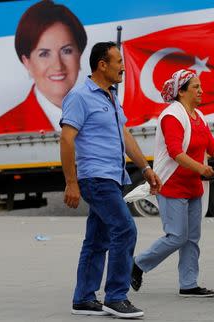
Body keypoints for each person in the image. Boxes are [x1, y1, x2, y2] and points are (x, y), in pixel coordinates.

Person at [60, 41, 161, 318]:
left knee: (97, 239)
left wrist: (146, 168)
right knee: (125, 230)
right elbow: (67, 139)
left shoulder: (110, 95)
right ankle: (116, 296)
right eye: (118, 62)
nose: (123, 68)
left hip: (113, 177)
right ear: (102, 65)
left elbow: (125, 135)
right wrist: (72, 182)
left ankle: (83, 298)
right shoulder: (80, 95)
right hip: (95, 178)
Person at [131, 69, 214, 297]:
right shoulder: (171, 116)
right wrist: (201, 168)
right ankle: (137, 264)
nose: (201, 91)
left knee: (192, 238)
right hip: (172, 184)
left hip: (193, 185)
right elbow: (175, 152)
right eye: (196, 87)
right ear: (182, 91)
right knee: (177, 236)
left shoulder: (199, 116)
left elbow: (212, 146)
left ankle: (188, 284)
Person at [0, 0, 86, 135]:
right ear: (26, 62)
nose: (58, 65)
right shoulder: (2, 129)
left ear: (79, 55)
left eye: (66, 51)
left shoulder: (103, 117)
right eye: (44, 54)